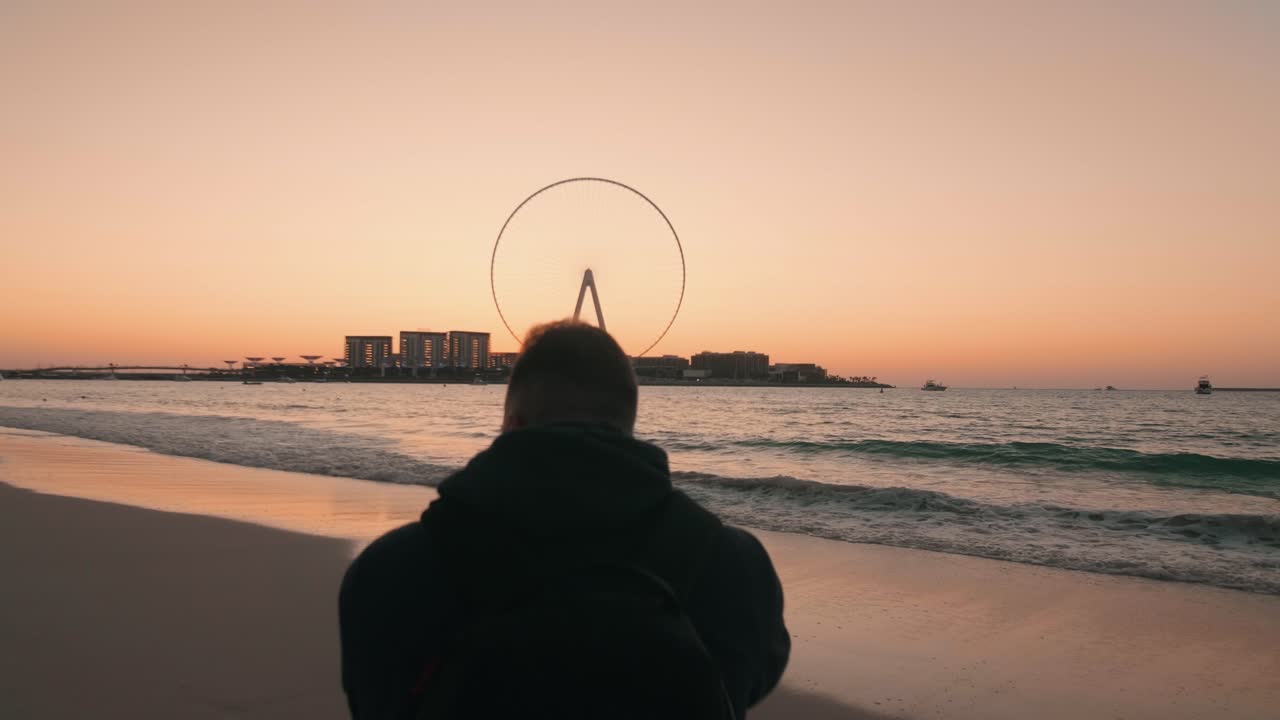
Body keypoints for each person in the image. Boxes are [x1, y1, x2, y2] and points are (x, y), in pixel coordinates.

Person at [339, 321, 789, 719]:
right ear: (627, 424)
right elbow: (746, 683)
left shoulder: (393, 567)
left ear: (512, 424)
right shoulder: (732, 564)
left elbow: (378, 698)